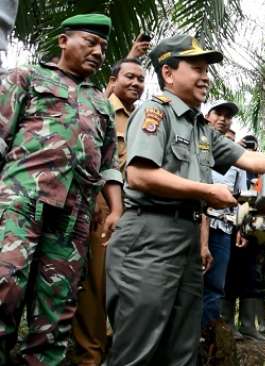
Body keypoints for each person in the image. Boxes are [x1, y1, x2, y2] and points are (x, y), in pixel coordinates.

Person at [105, 34, 265, 365]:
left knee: (182, 348)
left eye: (207, 69)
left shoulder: (202, 128)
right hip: (148, 238)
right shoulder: (156, 112)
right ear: (168, 73)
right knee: (138, 348)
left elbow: (249, 160)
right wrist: (208, 192)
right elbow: (139, 175)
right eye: (196, 68)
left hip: (187, 239)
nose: (205, 76)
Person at [0, 14, 123, 365]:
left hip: (73, 219)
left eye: (103, 46)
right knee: (4, 290)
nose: (99, 51)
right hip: (19, 205)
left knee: (55, 315)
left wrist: (115, 209)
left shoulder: (100, 104)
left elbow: (110, 163)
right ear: (64, 41)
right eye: (91, 41)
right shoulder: (26, 77)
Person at [71, 57, 145, 365]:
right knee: (95, 286)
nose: (136, 84)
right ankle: (90, 355)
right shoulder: (97, 106)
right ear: (112, 80)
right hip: (101, 206)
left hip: (136, 210)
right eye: (129, 77)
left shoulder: (143, 117)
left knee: (127, 285)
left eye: (141, 79)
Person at [201, 100, 244, 330]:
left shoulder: (233, 159)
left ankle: (208, 340)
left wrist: (242, 228)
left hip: (224, 228)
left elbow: (241, 198)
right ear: (207, 115)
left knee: (216, 286)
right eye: (218, 113)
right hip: (196, 225)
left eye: (228, 116)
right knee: (190, 285)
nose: (223, 118)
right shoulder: (195, 144)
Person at [223, 134, 265, 341]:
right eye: (245, 145)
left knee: (253, 276)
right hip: (235, 226)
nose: (249, 148)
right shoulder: (234, 163)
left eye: (253, 146)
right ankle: (227, 323)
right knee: (231, 274)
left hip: (257, 229)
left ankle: (248, 325)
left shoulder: (262, 169)